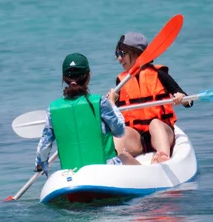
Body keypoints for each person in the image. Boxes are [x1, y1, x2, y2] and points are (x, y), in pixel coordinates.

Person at [35, 53, 137, 176]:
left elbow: (44, 145)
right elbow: (120, 131)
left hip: (72, 174)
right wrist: (112, 104)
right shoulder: (100, 102)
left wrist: (42, 164)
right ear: (89, 76)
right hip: (105, 170)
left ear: (64, 78)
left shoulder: (53, 109)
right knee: (125, 157)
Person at [107, 32, 193, 163]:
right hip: (137, 139)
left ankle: (163, 156)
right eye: (117, 54)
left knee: (155, 124)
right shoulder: (121, 81)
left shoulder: (159, 74)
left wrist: (181, 98)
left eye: (122, 54)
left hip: (162, 134)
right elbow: (117, 119)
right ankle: (123, 162)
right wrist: (111, 103)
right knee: (120, 133)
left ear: (136, 53)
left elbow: (189, 101)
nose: (119, 59)